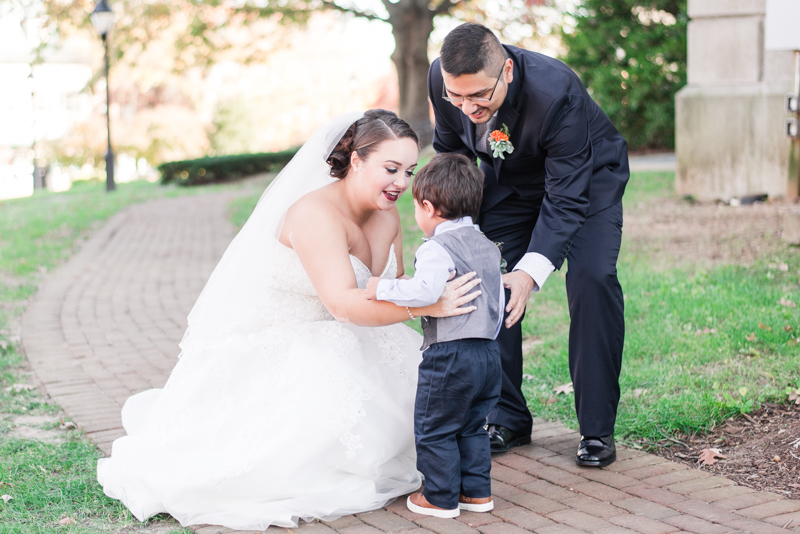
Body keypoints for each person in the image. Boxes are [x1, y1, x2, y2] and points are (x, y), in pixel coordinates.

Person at [96, 110, 481, 531]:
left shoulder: (387, 215)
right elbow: (342, 304)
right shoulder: (314, 215)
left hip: (361, 332)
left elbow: (399, 283)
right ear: (356, 161)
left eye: (409, 171)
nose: (402, 184)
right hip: (290, 336)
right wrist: (427, 307)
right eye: (390, 169)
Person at [427, 23, 629, 467]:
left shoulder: (558, 93)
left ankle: (596, 431)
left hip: (587, 183)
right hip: (510, 188)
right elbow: (451, 155)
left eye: (479, 96)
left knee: (592, 279)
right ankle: (508, 417)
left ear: (508, 72)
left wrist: (530, 272)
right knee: (483, 275)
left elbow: (566, 197)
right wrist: (452, 233)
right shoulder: (443, 78)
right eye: (456, 98)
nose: (467, 107)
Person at [365, 153, 503, 518]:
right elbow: (499, 300)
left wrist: (383, 288)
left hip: (450, 356)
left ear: (428, 207)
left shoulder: (436, 248)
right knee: (472, 425)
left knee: (434, 427)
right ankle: (476, 493)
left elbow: (427, 293)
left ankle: (440, 497)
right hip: (489, 353)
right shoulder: (489, 247)